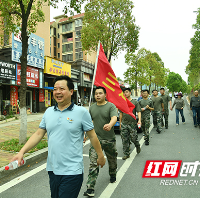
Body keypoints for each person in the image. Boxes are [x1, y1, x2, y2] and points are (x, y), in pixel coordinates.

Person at [10, 75, 106, 198]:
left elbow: (92, 136)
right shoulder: (49, 111)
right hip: (53, 169)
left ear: (71, 92)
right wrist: (21, 152)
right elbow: (39, 134)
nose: (57, 92)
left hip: (72, 171)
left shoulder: (81, 112)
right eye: (55, 89)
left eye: (62, 89)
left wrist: (100, 156)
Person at [84, 86, 118, 197]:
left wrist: (110, 124)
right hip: (96, 140)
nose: (97, 95)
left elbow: (114, 117)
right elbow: (89, 123)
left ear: (105, 95)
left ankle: (113, 174)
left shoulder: (110, 106)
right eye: (96, 93)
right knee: (94, 162)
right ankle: (90, 188)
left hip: (109, 139)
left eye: (100, 93)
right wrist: (85, 135)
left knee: (112, 159)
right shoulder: (92, 108)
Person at [119, 88, 141, 160]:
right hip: (124, 123)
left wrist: (139, 120)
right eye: (124, 92)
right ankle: (126, 153)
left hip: (132, 123)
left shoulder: (135, 102)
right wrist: (120, 123)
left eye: (127, 92)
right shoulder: (122, 102)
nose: (125, 93)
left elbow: (138, 111)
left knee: (134, 138)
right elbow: (121, 114)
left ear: (130, 93)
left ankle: (137, 145)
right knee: (124, 139)